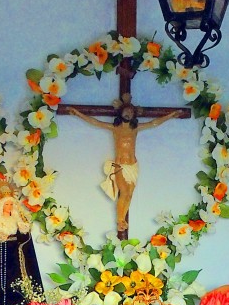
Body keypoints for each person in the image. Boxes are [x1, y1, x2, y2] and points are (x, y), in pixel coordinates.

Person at [68, 96, 179, 234]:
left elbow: (154, 123)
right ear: (120, 113)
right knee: (124, 192)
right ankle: (120, 220)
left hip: (133, 166)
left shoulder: (135, 128)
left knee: (129, 195)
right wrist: (78, 114)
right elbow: (95, 122)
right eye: (126, 111)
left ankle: (122, 218)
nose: (128, 114)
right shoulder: (115, 128)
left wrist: (171, 116)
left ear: (133, 115)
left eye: (131, 112)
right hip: (120, 165)